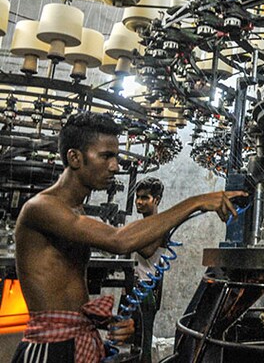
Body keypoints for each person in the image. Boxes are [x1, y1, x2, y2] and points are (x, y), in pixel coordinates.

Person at [13, 112, 246, 363]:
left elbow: (62, 289)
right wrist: (196, 201)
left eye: (115, 156)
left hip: (76, 339)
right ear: (75, 157)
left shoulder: (75, 210)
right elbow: (118, 240)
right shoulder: (42, 207)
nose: (115, 166)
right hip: (51, 348)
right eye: (106, 156)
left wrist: (107, 323)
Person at [130, 176, 168, 363]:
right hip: (135, 286)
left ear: (157, 200)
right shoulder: (142, 226)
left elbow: (146, 251)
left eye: (145, 197)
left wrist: (124, 238)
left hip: (147, 290)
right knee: (131, 342)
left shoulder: (161, 224)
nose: (139, 201)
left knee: (143, 341)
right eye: (137, 197)